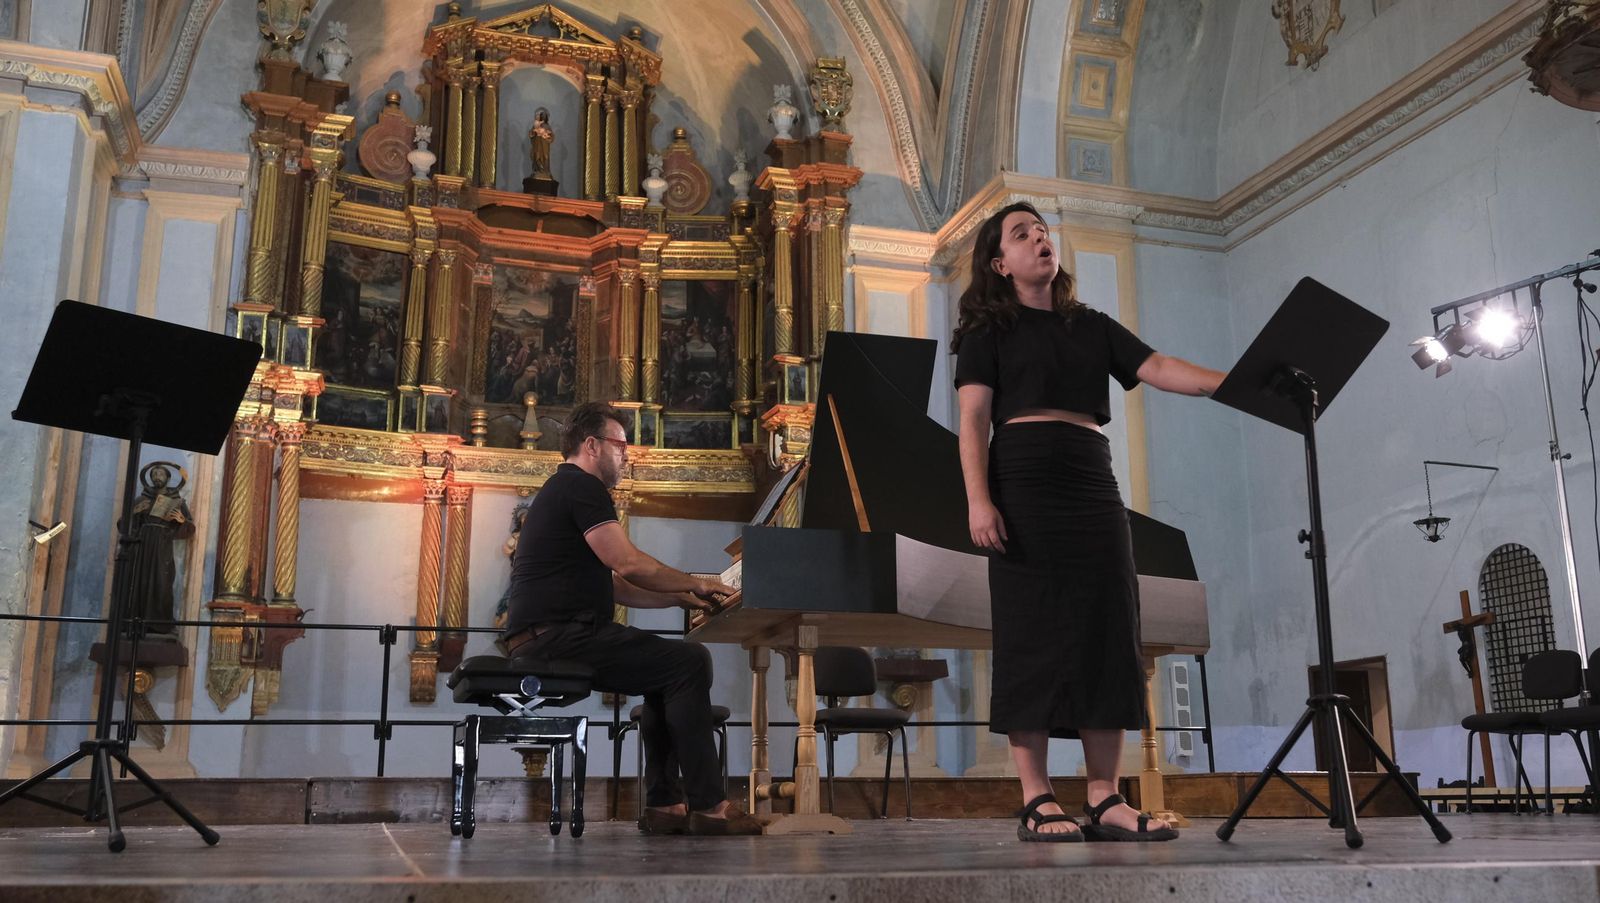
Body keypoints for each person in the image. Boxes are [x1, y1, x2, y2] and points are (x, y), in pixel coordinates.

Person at [953, 202, 1224, 843]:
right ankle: (1037, 797)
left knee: (1109, 624)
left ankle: (1105, 797)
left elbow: (1158, 367)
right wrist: (978, 501)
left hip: (1089, 478)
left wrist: (1230, 383)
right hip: (1021, 480)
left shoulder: (1091, 325)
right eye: (1022, 234)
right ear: (1000, 263)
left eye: (1042, 230)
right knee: (1031, 633)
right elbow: (973, 421)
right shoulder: (987, 332)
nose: (1039, 238)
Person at [502, 401, 759, 836]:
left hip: (545, 635)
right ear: (591, 445)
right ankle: (710, 806)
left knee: (665, 673)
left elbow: (616, 586)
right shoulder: (582, 487)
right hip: (560, 637)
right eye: (620, 445)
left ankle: (666, 806)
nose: (626, 455)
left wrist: (681, 598)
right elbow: (628, 563)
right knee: (689, 661)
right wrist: (698, 582)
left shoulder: (562, 489)